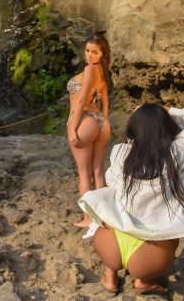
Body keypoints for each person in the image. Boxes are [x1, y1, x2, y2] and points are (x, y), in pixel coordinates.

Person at [78, 104, 184, 294]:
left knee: (111, 211)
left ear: (133, 129)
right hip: (149, 258)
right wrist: (170, 111)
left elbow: (114, 175)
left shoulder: (121, 153)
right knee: (173, 230)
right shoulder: (177, 154)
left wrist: (140, 116)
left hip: (108, 246)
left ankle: (110, 277)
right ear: (166, 127)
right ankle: (144, 280)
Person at [67, 33, 112, 227]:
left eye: (95, 52)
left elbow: (81, 99)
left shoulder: (89, 70)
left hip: (84, 119)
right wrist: (103, 120)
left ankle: (88, 218)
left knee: (84, 173)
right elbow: (106, 102)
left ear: (102, 53)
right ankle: (103, 217)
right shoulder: (102, 70)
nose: (89, 55)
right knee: (98, 172)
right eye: (87, 51)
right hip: (101, 123)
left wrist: (72, 129)